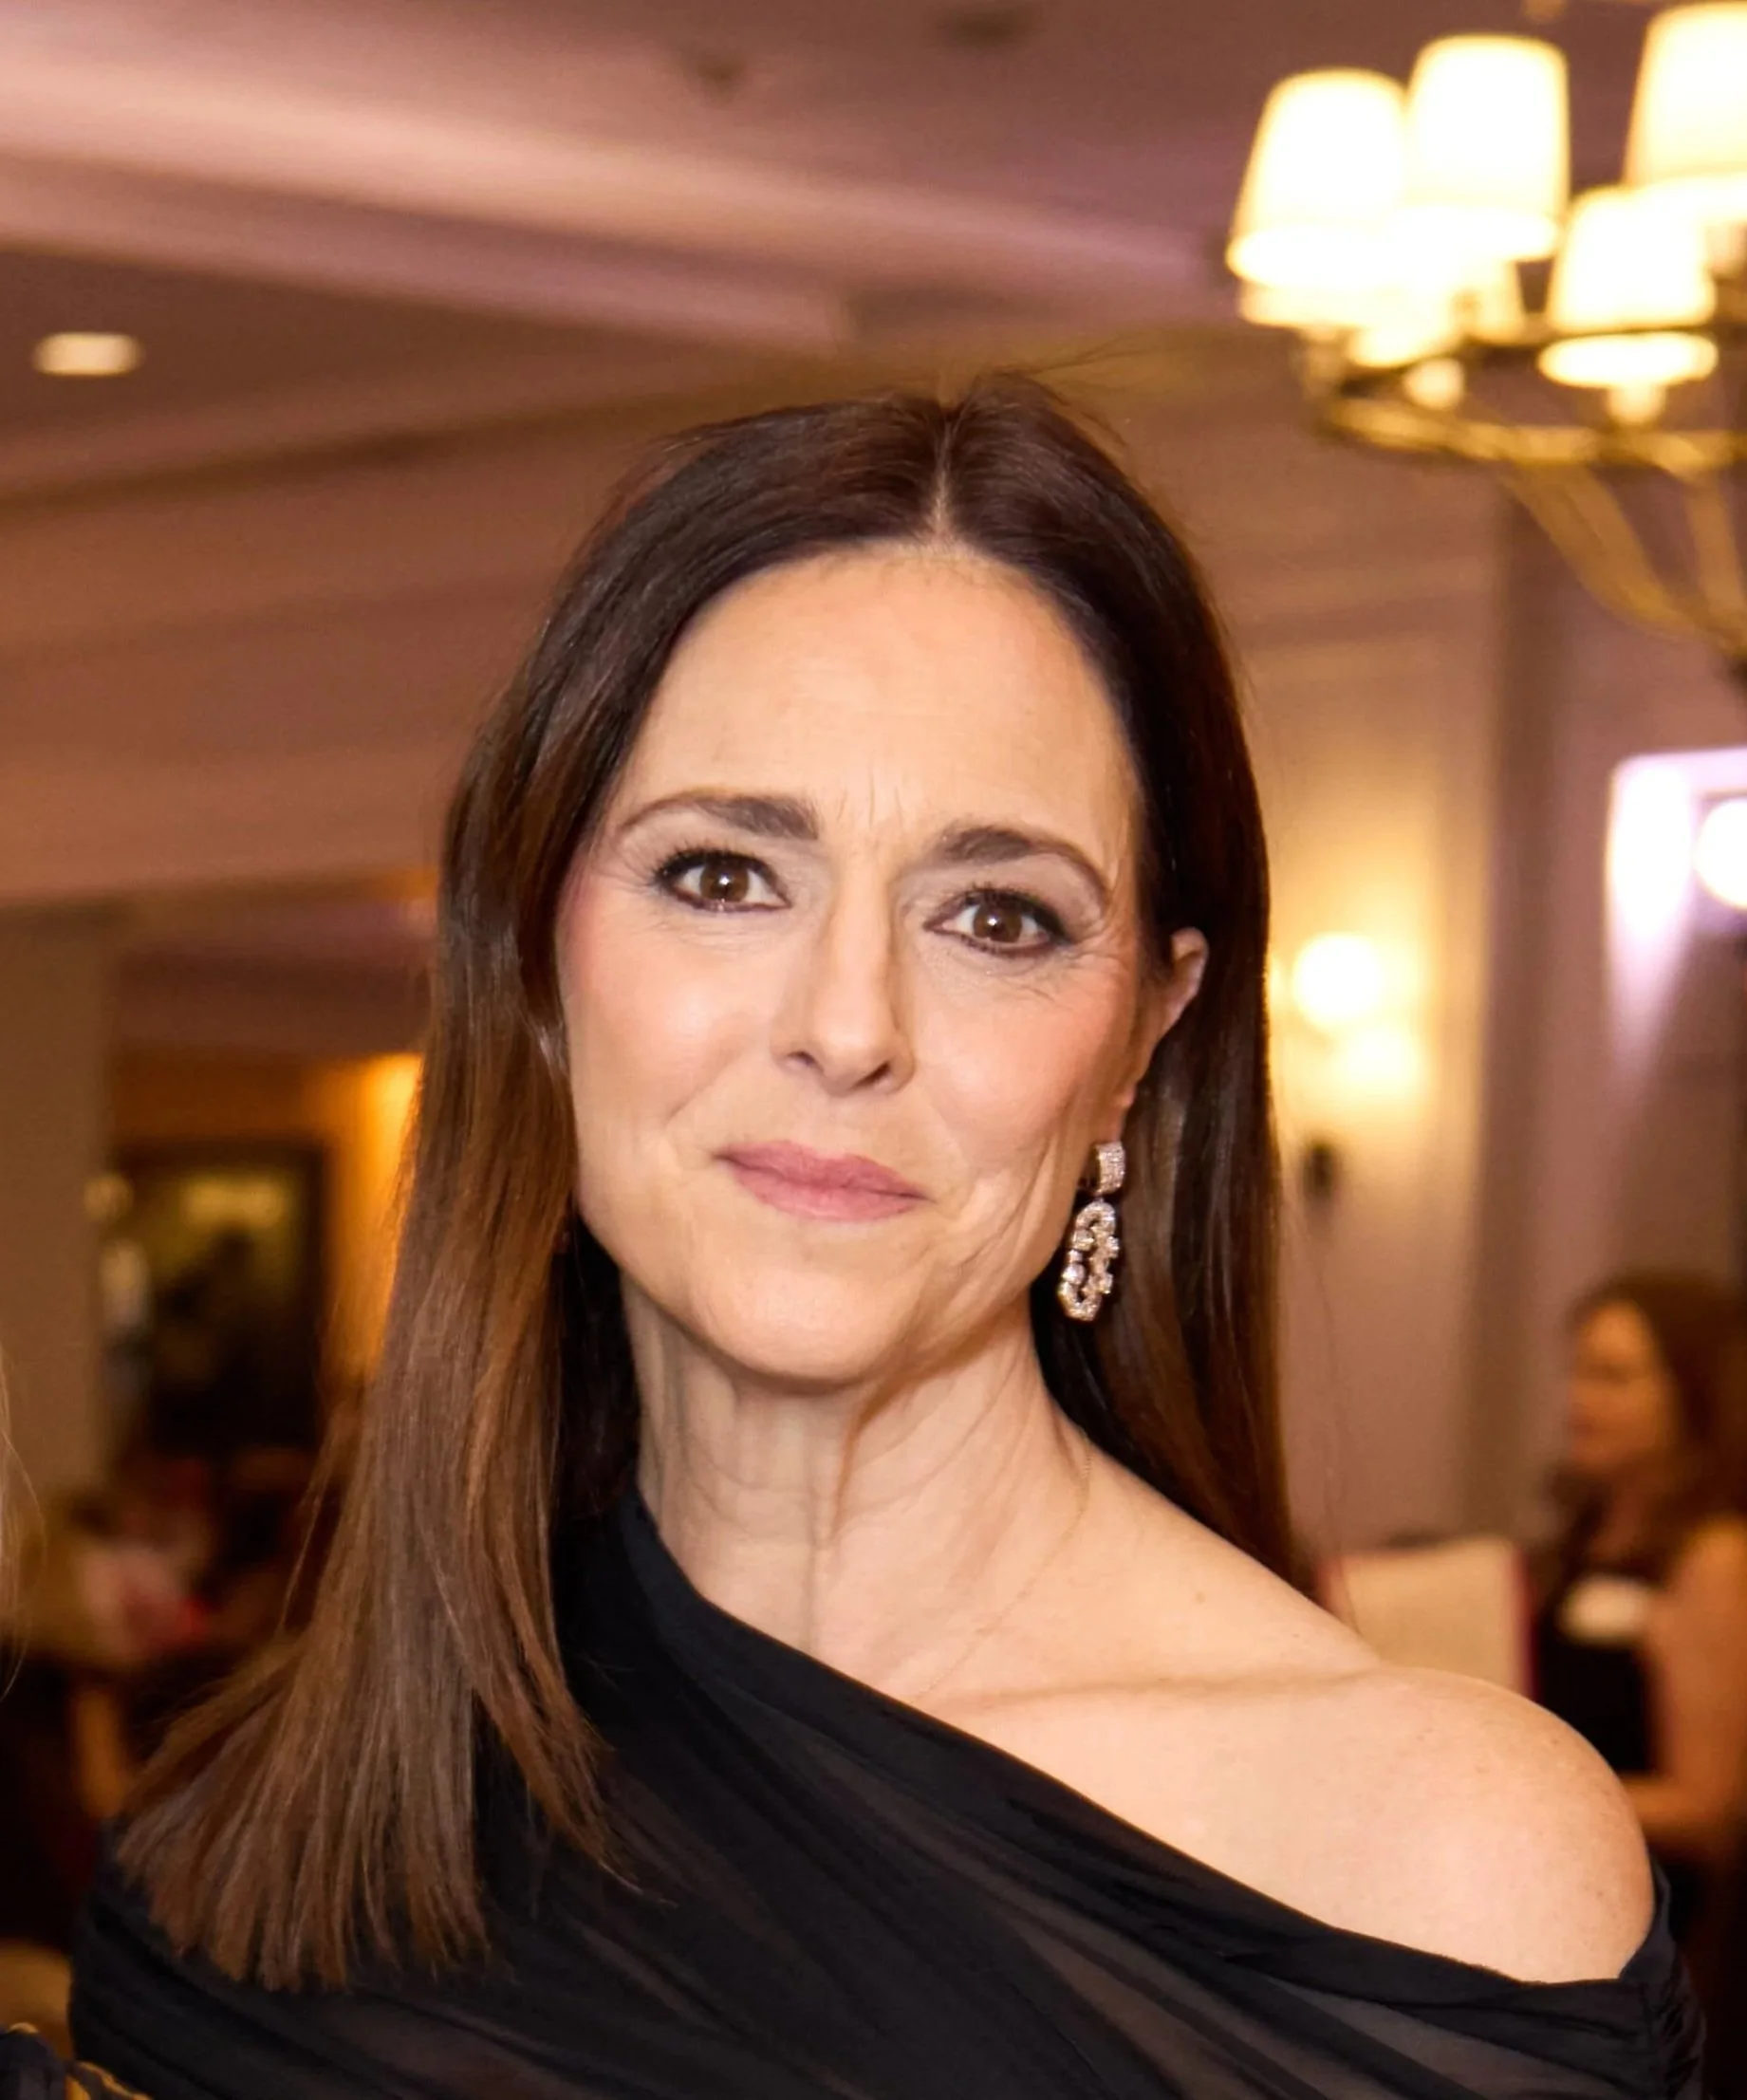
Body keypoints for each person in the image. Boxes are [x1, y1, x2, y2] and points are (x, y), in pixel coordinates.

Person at [65, 382, 1701, 2098]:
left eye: (997, 916)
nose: (849, 1023)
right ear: (537, 955)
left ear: (1149, 1027)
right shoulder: (243, 1852)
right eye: (720, 875)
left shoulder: (1431, 1860)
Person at [1533, 1273, 1747, 1976]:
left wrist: (1530, 1786)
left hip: (1644, 1926)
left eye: (1612, 1376)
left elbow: (1708, 1811)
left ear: (1691, 1393)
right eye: (1578, 1370)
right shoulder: (1586, 1535)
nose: (1578, 1400)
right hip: (1555, 1888)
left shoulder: (1712, 1557)